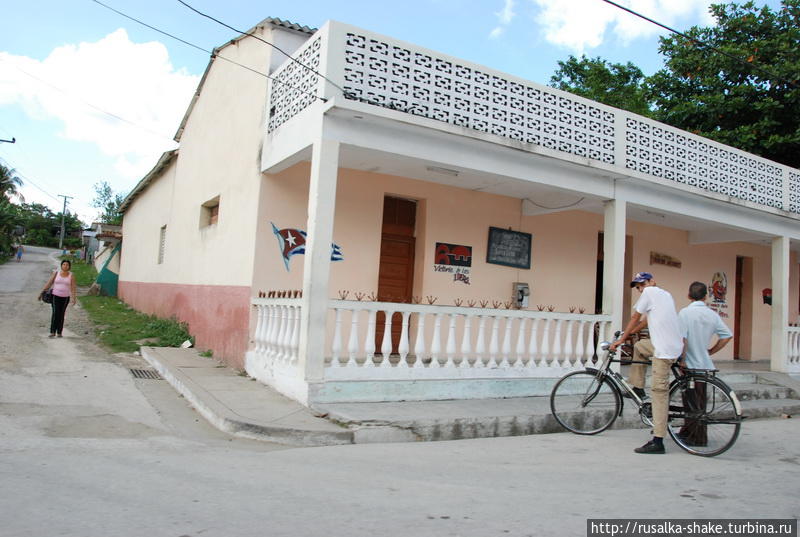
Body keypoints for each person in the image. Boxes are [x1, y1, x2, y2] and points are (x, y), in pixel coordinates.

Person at [610, 272, 684, 454]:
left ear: (652, 281)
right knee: (640, 346)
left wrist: (621, 339)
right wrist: (631, 334)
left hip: (664, 351)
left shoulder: (649, 293)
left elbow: (635, 317)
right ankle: (637, 386)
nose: (641, 288)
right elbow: (643, 321)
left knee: (659, 393)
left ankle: (658, 440)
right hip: (673, 346)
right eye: (638, 287)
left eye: (642, 284)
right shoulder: (665, 295)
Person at [676, 281, 733, 445]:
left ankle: (697, 438)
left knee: (691, 403)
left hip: (691, 365)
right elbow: (726, 336)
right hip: (705, 365)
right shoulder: (712, 314)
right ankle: (688, 432)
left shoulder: (685, 313)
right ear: (705, 296)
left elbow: (683, 339)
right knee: (699, 402)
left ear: (688, 295)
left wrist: (683, 360)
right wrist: (710, 351)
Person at [38, 259, 77, 338]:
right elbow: (49, 283)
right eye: (64, 264)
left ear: (69, 267)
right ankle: (52, 331)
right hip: (55, 296)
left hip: (65, 297)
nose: (65, 266)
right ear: (61, 265)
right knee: (55, 313)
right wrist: (41, 292)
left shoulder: (71, 276)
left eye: (67, 265)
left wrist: (73, 298)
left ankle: (59, 332)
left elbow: (73, 288)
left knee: (61, 314)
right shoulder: (56, 273)